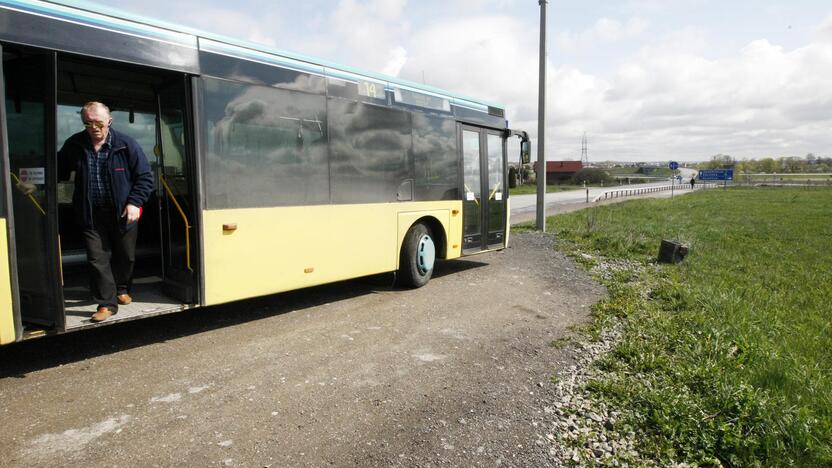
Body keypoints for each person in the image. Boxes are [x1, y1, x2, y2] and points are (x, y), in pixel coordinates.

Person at [58, 102, 154, 322]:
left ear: (109, 121)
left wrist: (134, 202)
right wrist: (36, 182)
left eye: (98, 122)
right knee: (96, 258)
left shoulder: (126, 145)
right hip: (91, 213)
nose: (94, 127)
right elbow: (57, 169)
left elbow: (145, 178)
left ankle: (121, 288)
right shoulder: (74, 144)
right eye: (88, 122)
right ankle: (106, 304)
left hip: (123, 212)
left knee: (125, 256)